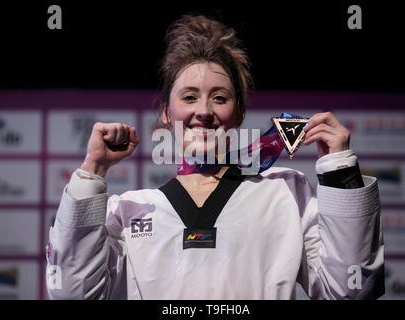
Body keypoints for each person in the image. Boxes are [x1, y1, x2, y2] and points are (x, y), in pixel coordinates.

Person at [46, 15, 384, 300]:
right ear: (166, 112)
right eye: (189, 97)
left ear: (238, 114)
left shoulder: (285, 191)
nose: (204, 112)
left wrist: (339, 173)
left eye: (219, 98)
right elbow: (73, 293)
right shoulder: (130, 209)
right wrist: (92, 171)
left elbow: (351, 291)